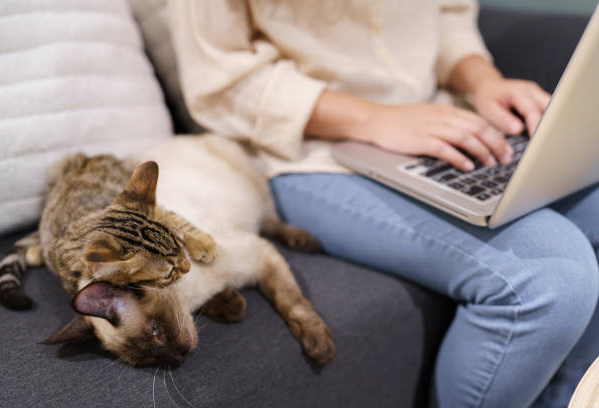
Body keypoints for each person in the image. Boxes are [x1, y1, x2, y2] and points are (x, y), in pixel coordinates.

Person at [167, 1, 599, 407]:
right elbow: (221, 85)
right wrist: (377, 119)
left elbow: (445, 14)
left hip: (439, 123)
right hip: (308, 152)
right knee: (549, 275)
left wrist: (483, 81)